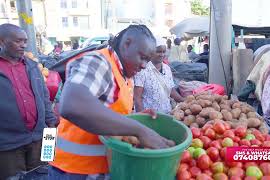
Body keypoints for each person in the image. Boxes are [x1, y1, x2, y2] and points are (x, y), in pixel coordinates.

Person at [48, 25, 173, 180]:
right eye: (142, 57)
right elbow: (72, 105)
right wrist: (140, 130)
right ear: (127, 43)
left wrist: (134, 117)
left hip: (98, 169)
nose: (144, 66)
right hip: (72, 171)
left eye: (147, 61)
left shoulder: (125, 74)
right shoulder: (98, 61)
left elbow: (107, 111)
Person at [0, 23, 58, 179]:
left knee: (43, 173)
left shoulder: (32, 66)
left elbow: (44, 96)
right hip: (7, 144)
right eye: (18, 41)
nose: (23, 45)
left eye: (25, 41)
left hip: (40, 137)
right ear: (2, 41)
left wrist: (51, 122)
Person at [134, 36, 185, 114]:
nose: (162, 54)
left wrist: (184, 100)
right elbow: (137, 98)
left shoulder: (167, 69)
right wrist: (142, 117)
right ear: (150, 52)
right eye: (158, 51)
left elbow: (171, 90)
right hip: (149, 117)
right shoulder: (142, 70)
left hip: (167, 114)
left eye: (164, 52)